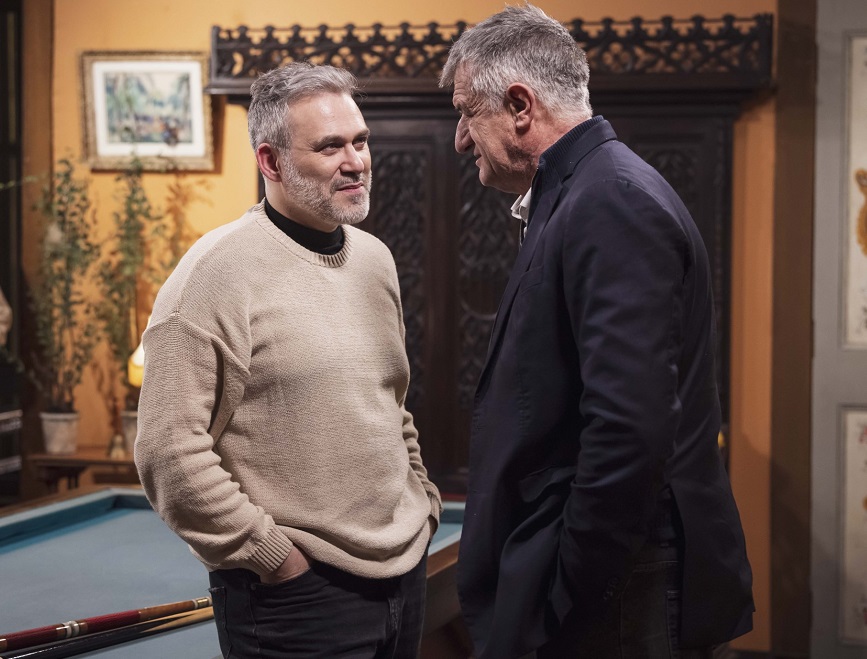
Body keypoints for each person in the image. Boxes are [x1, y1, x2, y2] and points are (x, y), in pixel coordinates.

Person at [439, 6, 754, 659]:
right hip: (607, 582)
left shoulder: (609, 198)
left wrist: (567, 590)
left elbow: (627, 428)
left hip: (617, 590)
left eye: (466, 112)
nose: (460, 139)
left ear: (520, 105)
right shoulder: (579, 191)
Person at [135, 62, 442, 659]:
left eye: (360, 141)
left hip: (405, 571)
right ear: (271, 162)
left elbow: (389, 402)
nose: (356, 161)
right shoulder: (213, 275)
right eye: (330, 147)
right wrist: (272, 557)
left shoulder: (375, 259)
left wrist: (422, 500)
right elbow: (168, 449)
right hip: (294, 597)